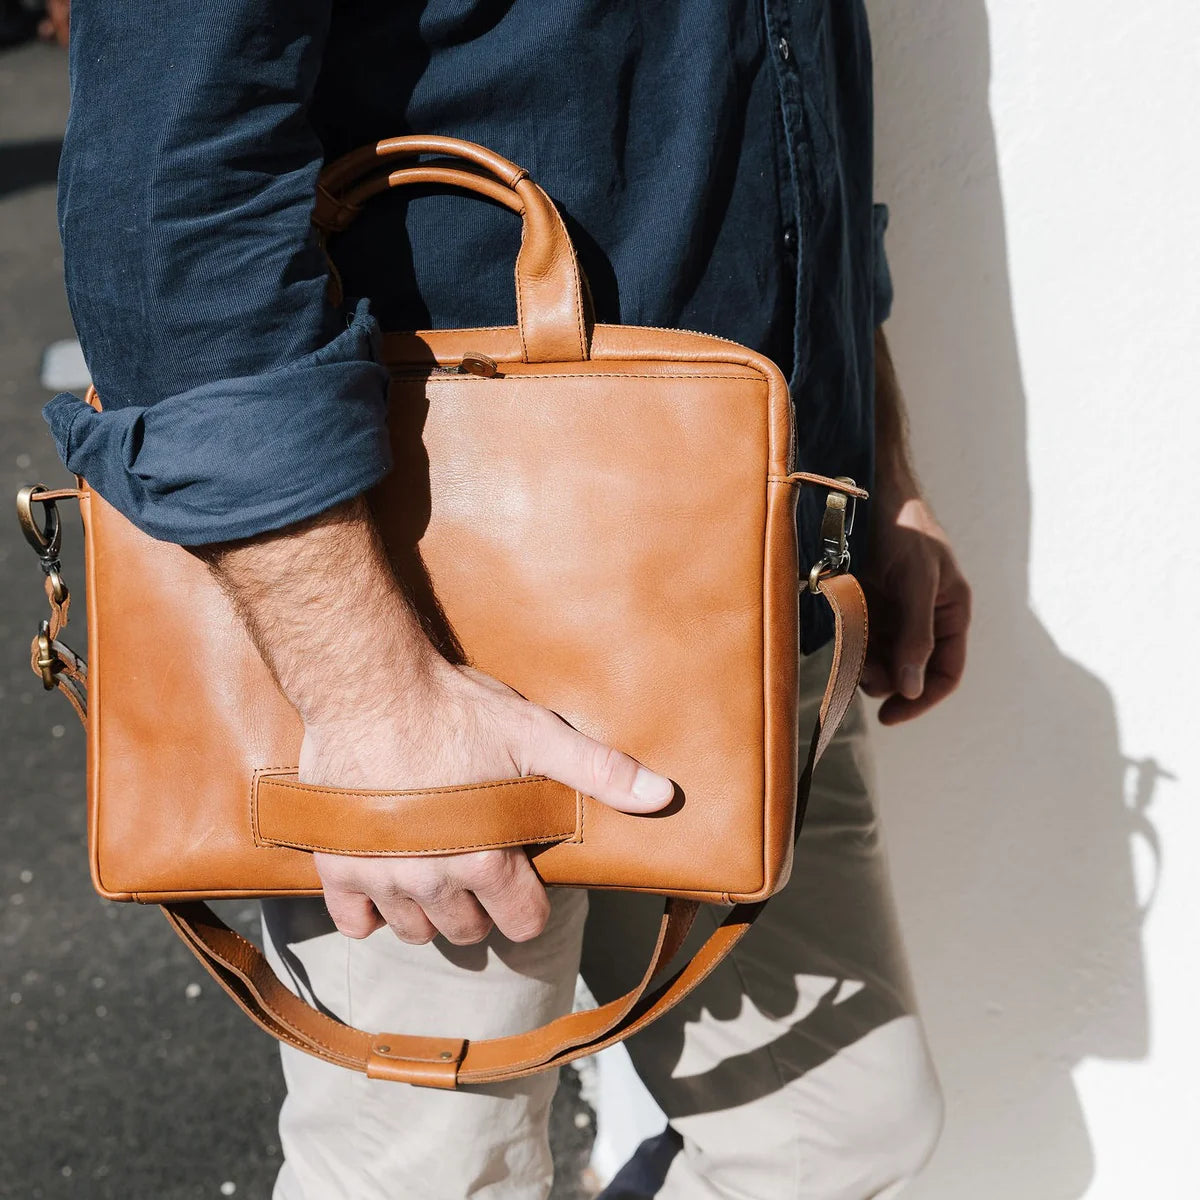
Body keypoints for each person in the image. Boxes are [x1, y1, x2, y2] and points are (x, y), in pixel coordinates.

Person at [47, 2, 971, 1197]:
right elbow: (164, 200)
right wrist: (375, 703)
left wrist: (879, 468)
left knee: (841, 1132)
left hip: (740, 579)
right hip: (423, 611)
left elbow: (792, 115)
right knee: (434, 1170)